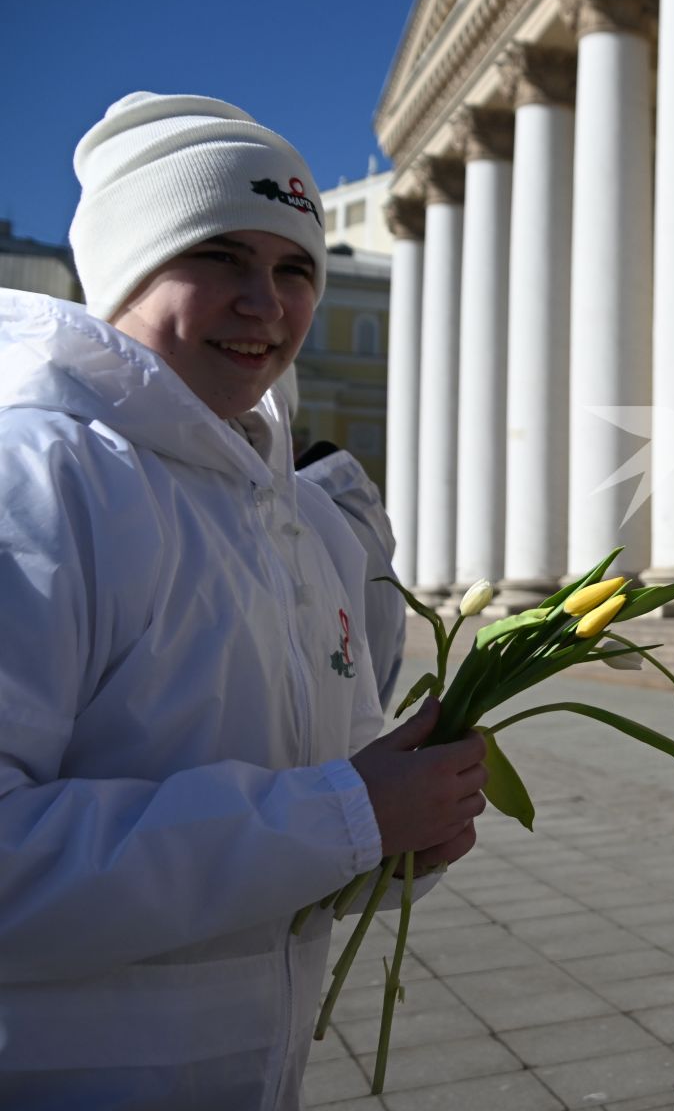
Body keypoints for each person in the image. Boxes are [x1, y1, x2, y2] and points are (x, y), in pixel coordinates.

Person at [0, 92, 488, 1107]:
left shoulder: (300, 524)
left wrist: (394, 842)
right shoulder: (37, 478)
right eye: (219, 255)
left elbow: (313, 812)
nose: (266, 301)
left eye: (296, 267)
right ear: (128, 269)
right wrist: (347, 815)